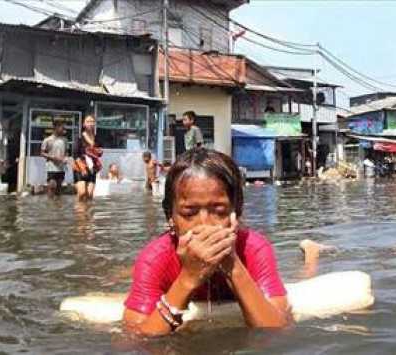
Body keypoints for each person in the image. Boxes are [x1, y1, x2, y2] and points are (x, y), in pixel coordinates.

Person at [123, 148, 291, 336]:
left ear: (238, 211)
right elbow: (135, 339)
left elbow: (277, 330)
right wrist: (188, 278)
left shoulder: (253, 249)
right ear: (170, 217)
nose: (205, 225)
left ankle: (311, 254)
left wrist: (232, 263)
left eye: (219, 211)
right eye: (189, 213)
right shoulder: (154, 259)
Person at [74, 115, 102, 201]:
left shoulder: (97, 138)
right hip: (80, 166)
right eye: (88, 121)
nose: (90, 124)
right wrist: (82, 168)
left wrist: (99, 152)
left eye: (92, 122)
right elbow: (75, 155)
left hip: (92, 168)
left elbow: (99, 154)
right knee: (82, 193)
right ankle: (79, 212)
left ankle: (88, 213)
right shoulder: (79, 138)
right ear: (84, 124)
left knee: (89, 195)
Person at [41, 120, 68, 197]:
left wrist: (66, 158)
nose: (63, 129)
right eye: (61, 127)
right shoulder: (47, 140)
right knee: (52, 185)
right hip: (51, 166)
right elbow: (42, 153)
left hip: (61, 167)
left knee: (59, 187)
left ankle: (58, 205)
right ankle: (50, 204)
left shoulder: (65, 140)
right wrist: (52, 157)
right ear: (55, 127)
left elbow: (66, 152)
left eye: (63, 127)